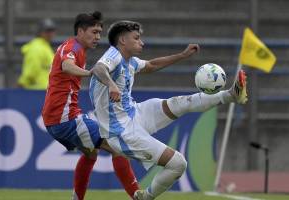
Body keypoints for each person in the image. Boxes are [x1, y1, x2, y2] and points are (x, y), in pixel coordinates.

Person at [89, 20, 248, 200]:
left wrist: (182, 55)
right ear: (123, 40)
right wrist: (111, 85)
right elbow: (98, 68)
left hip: (135, 113)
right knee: (178, 164)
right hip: (121, 131)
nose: (142, 42)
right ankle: (145, 197)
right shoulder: (113, 55)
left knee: (180, 103)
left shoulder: (130, 61)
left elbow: (151, 66)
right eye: (137, 38)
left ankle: (230, 95)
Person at [41, 12, 140, 200]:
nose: (97, 37)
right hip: (65, 118)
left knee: (91, 153)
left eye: (100, 33)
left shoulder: (78, 49)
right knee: (117, 147)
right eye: (94, 32)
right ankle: (137, 195)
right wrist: (90, 73)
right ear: (80, 31)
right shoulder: (72, 47)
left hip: (59, 118)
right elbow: (67, 66)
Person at [18, 18, 57, 89]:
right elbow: (31, 71)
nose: (50, 33)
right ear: (40, 32)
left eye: (52, 30)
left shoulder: (45, 46)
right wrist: (22, 84)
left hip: (45, 90)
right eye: (47, 31)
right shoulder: (37, 47)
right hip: (36, 90)